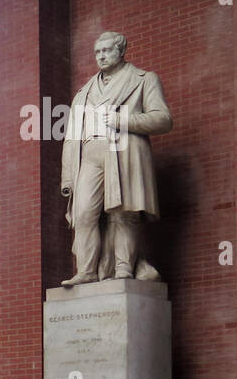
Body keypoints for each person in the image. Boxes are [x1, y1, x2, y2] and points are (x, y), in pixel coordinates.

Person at [60, 31, 173, 285]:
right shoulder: (84, 92)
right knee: (83, 213)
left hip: (122, 149)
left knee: (123, 213)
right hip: (89, 156)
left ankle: (124, 269)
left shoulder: (144, 79)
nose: (101, 56)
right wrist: (68, 176)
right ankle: (86, 270)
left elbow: (163, 119)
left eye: (107, 50)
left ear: (121, 51)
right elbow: (71, 138)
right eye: (97, 52)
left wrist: (125, 120)